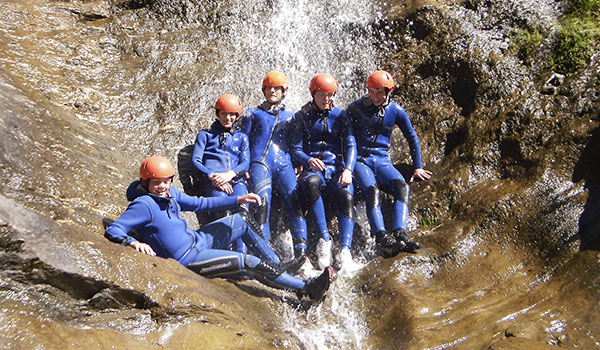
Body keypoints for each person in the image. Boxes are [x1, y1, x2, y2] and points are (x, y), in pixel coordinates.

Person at [104, 156, 333, 301]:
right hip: (189, 258)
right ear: (145, 183)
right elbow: (114, 230)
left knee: (241, 221)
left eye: (166, 181)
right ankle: (305, 289)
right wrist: (134, 242)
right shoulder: (143, 205)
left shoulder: (170, 194)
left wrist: (237, 200)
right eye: (157, 182)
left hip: (198, 240)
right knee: (247, 262)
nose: (163, 186)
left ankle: (278, 268)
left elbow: (200, 203)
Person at [346, 70, 432, 258]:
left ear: (389, 91)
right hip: (361, 160)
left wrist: (418, 166)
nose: (375, 96)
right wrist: (344, 166)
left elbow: (411, 137)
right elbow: (344, 136)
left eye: (380, 92)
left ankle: (400, 232)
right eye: (372, 91)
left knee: (401, 186)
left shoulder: (396, 110)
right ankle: (381, 237)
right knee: (372, 190)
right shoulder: (355, 108)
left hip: (382, 160)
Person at [290, 73, 359, 273]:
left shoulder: (341, 115)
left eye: (330, 94)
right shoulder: (302, 116)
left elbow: (350, 144)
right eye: (322, 95)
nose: (326, 99)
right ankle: (324, 239)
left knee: (346, 193)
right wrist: (308, 160)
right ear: (313, 94)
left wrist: (348, 169)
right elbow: (295, 148)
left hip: (336, 168)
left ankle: (345, 251)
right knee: (310, 183)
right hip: (315, 168)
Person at [239, 71, 309, 267]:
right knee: (262, 205)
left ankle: (301, 252)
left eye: (276, 88)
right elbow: (242, 140)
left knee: (295, 203)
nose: (272, 91)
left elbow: (296, 144)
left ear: (284, 91)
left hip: (284, 163)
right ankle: (265, 254)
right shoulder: (253, 113)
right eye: (269, 88)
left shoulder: (291, 116)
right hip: (259, 162)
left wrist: (300, 163)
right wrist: (243, 167)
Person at [191, 94, 249, 252]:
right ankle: (225, 253)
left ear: (237, 116)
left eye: (232, 114)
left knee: (243, 211)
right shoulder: (206, 135)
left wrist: (231, 174)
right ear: (217, 114)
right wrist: (211, 176)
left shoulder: (242, 137)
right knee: (222, 209)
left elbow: (245, 162)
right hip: (214, 181)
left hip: (235, 180)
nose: (228, 118)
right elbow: (196, 160)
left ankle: (241, 254)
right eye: (224, 113)